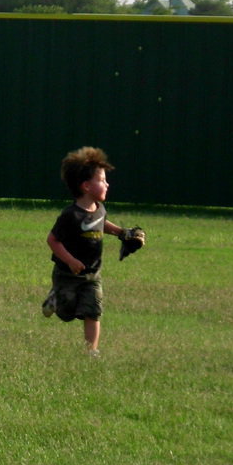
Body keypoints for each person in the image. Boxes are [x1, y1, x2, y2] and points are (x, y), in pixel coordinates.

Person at [41, 146, 140, 357]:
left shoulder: (99, 208)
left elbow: (100, 223)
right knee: (67, 314)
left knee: (93, 311)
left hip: (92, 274)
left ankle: (91, 351)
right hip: (68, 274)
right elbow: (53, 240)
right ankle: (55, 298)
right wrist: (70, 260)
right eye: (102, 180)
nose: (107, 184)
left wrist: (122, 233)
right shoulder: (71, 215)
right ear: (86, 186)